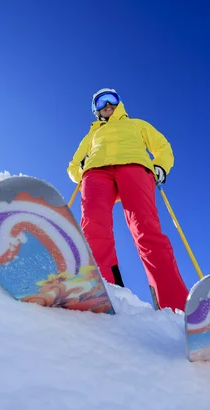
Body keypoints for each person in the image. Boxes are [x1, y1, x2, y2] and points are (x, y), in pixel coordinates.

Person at [67, 88, 189, 312]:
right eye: (100, 102)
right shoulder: (92, 135)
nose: (106, 105)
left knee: (145, 229)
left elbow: (163, 146)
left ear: (119, 102)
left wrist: (160, 166)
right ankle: (104, 289)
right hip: (96, 173)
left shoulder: (137, 125)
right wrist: (81, 172)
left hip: (134, 167)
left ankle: (176, 306)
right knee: (93, 226)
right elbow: (72, 166)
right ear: (95, 110)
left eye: (110, 99)